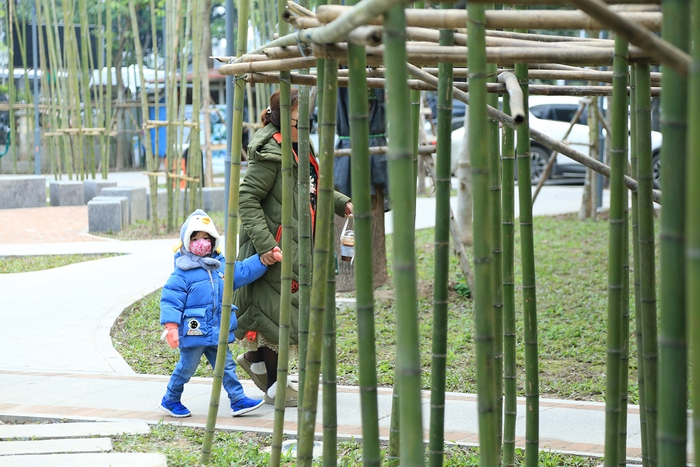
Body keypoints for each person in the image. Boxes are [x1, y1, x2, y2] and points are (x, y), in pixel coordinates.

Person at [233, 88, 353, 407]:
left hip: (296, 246)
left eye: (309, 121)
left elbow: (313, 188)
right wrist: (266, 244)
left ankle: (256, 363)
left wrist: (342, 203)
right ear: (283, 117)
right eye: (302, 121)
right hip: (275, 248)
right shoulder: (271, 151)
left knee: (275, 313)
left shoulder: (301, 144)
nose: (307, 127)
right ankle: (276, 386)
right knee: (280, 316)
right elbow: (246, 198)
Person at [159, 209, 281, 418]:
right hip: (194, 332)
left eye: (206, 238)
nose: (201, 242)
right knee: (186, 368)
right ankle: (170, 398)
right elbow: (171, 299)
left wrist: (263, 260)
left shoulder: (220, 266)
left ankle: (237, 399)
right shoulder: (182, 272)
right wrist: (171, 327)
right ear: (186, 242)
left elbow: (242, 271)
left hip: (218, 329)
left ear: (214, 240)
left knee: (227, 367)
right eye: (195, 238)